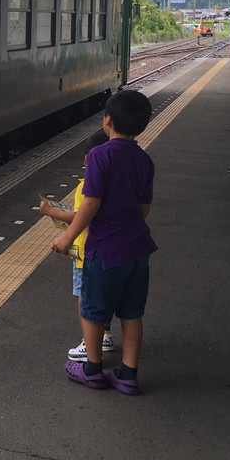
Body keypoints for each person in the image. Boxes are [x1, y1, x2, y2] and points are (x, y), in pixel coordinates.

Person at [50, 90, 156, 395]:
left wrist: (66, 237)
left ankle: (93, 370)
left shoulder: (100, 155)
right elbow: (144, 210)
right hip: (138, 248)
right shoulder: (145, 161)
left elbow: (90, 204)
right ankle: (128, 375)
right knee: (132, 313)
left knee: (93, 311)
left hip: (105, 249)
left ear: (107, 120)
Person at [39, 129, 113, 362]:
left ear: (86, 159)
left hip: (84, 254)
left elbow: (82, 215)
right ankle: (106, 336)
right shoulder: (114, 184)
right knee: (103, 296)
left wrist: (52, 211)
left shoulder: (86, 186)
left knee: (85, 297)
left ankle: (89, 343)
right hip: (107, 251)